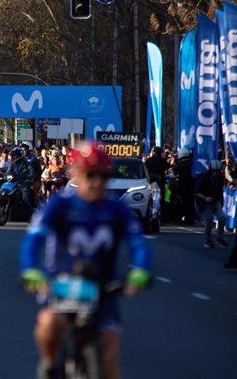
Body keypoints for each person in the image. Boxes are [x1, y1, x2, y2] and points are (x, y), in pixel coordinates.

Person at [20, 140, 152, 379]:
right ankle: (49, 365)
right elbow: (34, 239)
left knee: (110, 352)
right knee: (48, 323)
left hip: (103, 287)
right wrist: (31, 270)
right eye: (91, 175)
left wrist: (140, 271)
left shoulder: (116, 209)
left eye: (104, 175)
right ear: (76, 174)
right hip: (62, 283)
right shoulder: (59, 205)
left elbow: (138, 244)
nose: (97, 182)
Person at [194, 159, 229, 249]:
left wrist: (221, 202)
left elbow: (220, 191)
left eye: (218, 171)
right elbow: (196, 192)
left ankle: (220, 237)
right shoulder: (204, 177)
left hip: (215, 199)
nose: (216, 173)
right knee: (208, 220)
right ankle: (208, 240)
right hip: (204, 201)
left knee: (222, 217)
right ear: (211, 171)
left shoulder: (220, 177)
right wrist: (205, 198)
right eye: (214, 171)